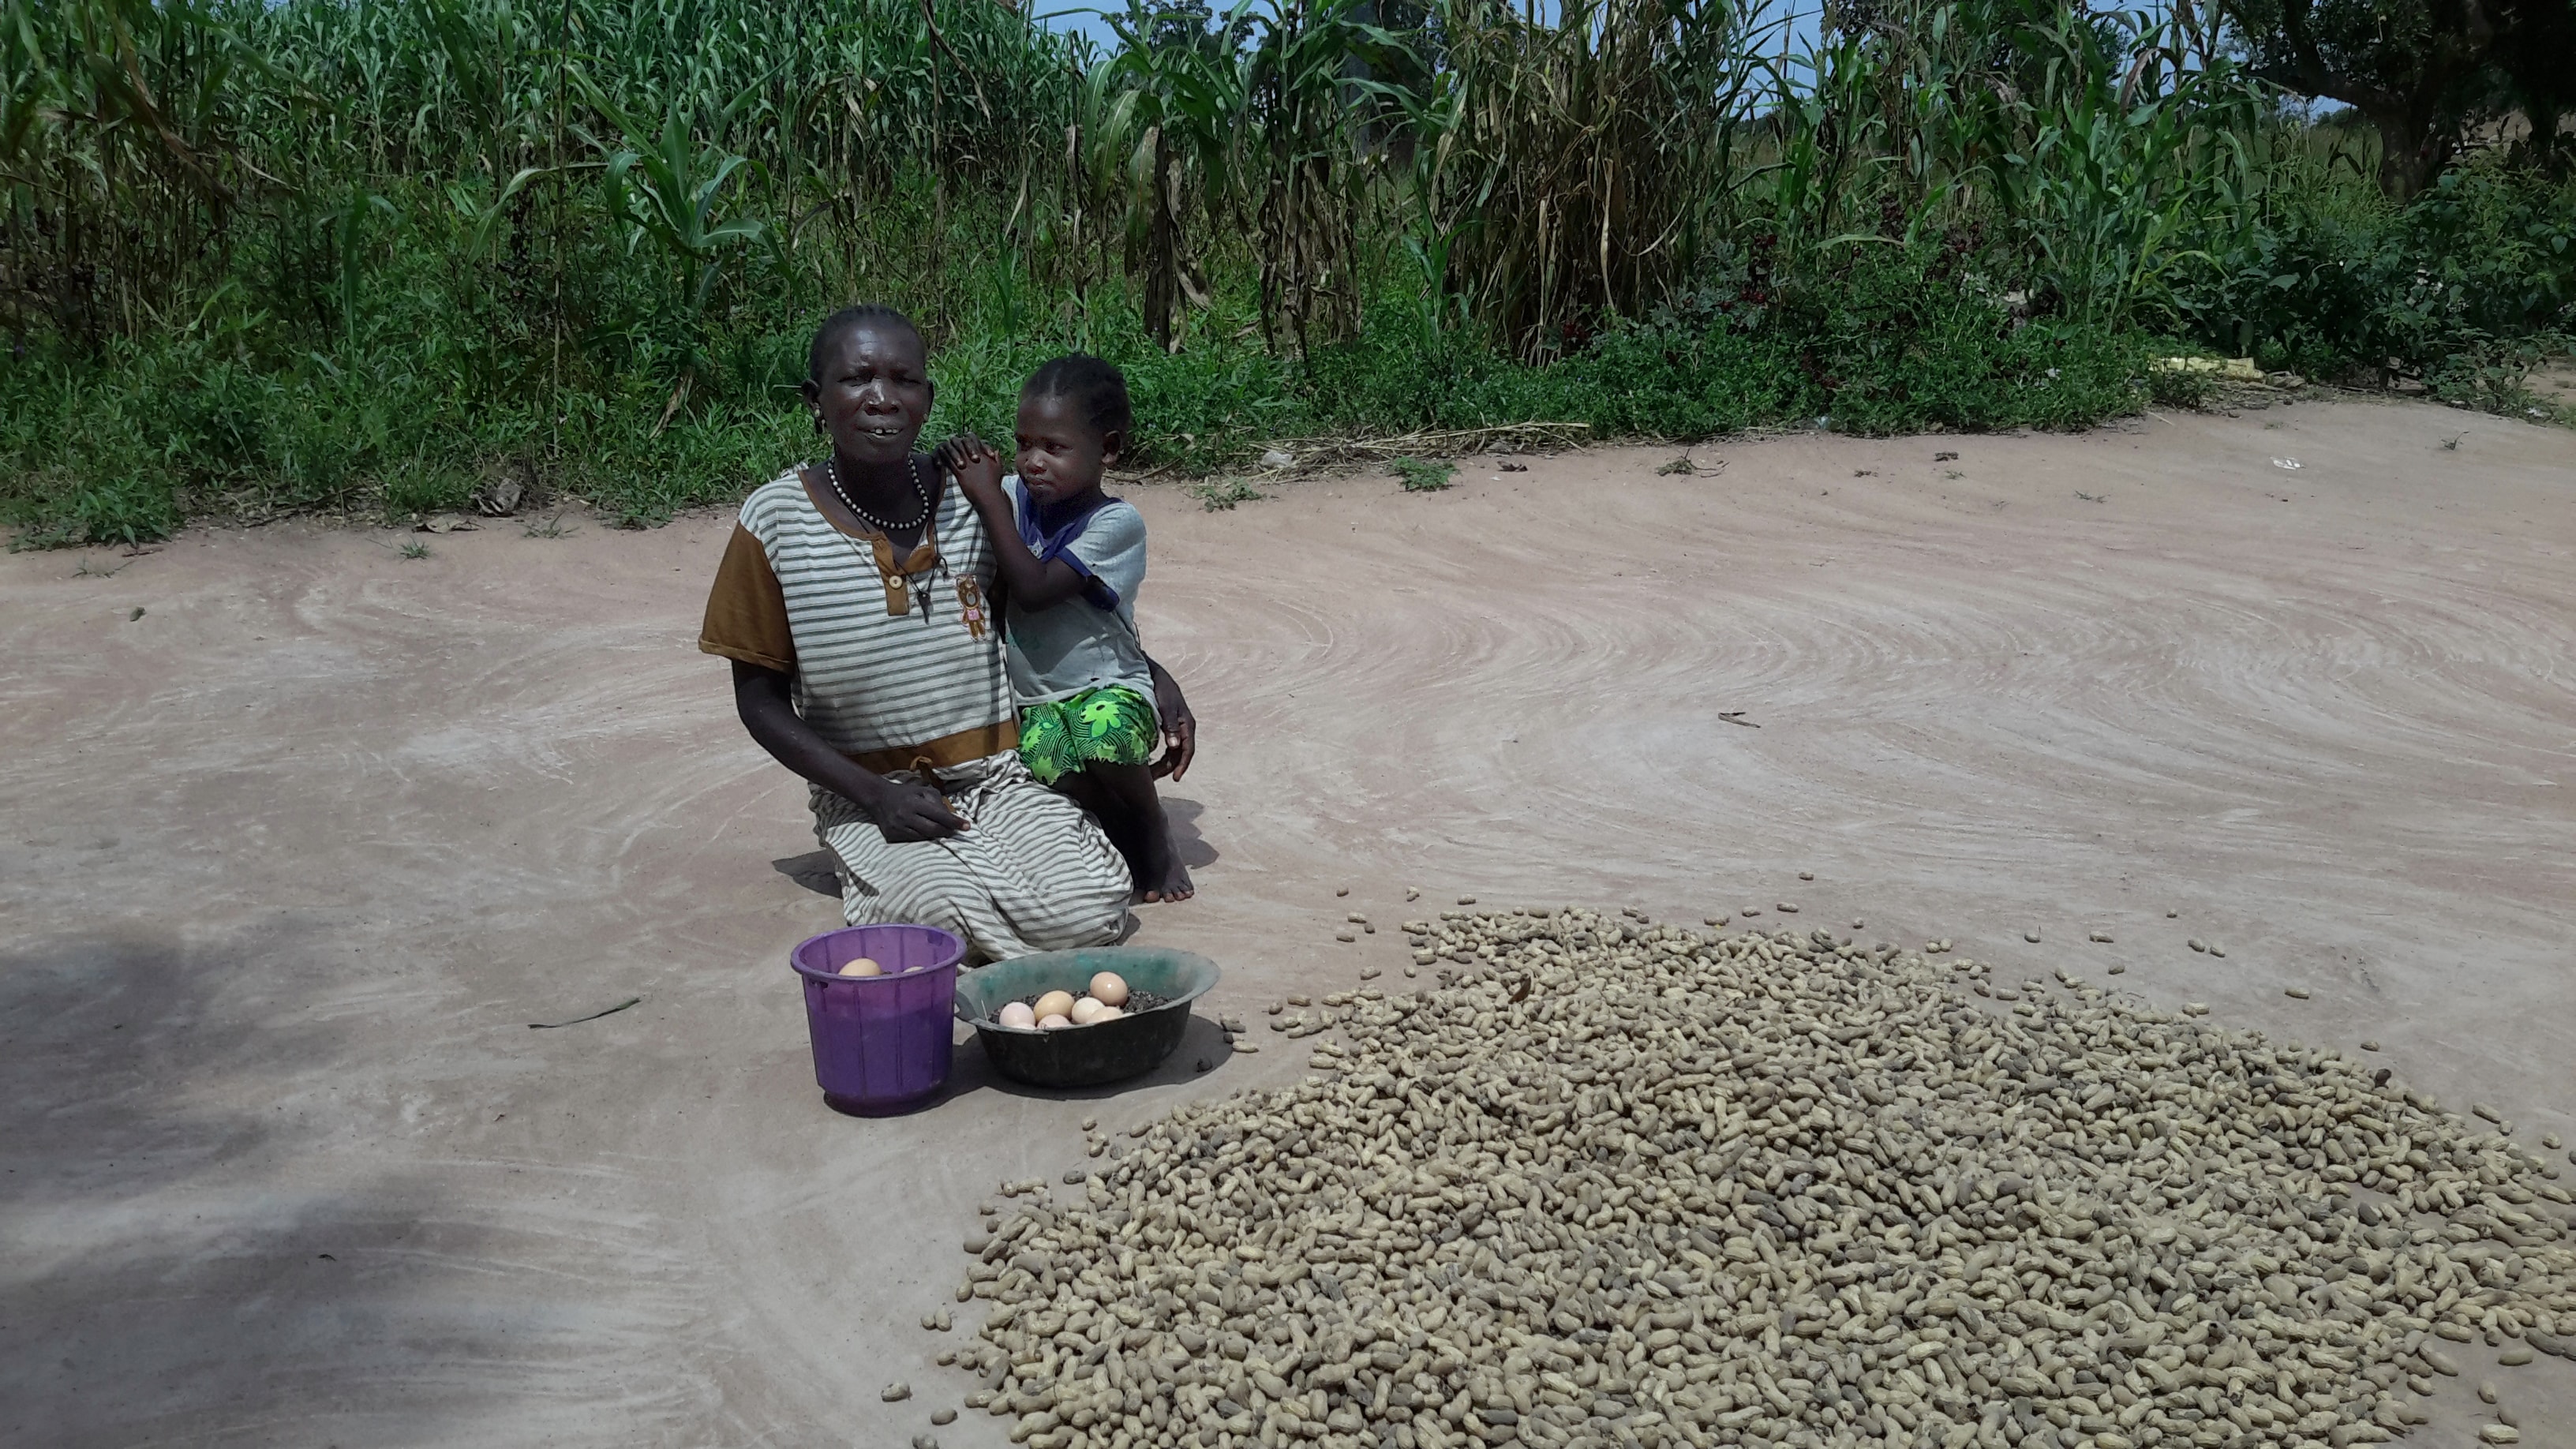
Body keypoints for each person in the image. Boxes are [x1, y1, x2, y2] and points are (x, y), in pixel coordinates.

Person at [696, 305, 1196, 961]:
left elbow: (1058, 609)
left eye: (904, 380)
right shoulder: (775, 520)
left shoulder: (980, 501)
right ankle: (978, 933)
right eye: (857, 380)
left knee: (1088, 905)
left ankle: (1031, 903)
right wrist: (874, 796)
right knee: (934, 921)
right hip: (873, 794)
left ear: (927, 400)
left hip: (1000, 776)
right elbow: (758, 701)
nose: (882, 399)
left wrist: (1150, 673)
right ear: (817, 400)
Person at [935, 356, 1193, 904]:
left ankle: (1152, 832)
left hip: (1110, 686)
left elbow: (1034, 587)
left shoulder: (1115, 524)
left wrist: (988, 499)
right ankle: (1113, 824)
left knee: (1104, 739)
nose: (1032, 462)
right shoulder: (1012, 498)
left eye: (1054, 448)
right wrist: (951, 461)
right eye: (1023, 443)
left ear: (1109, 449)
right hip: (1037, 697)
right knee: (1051, 761)